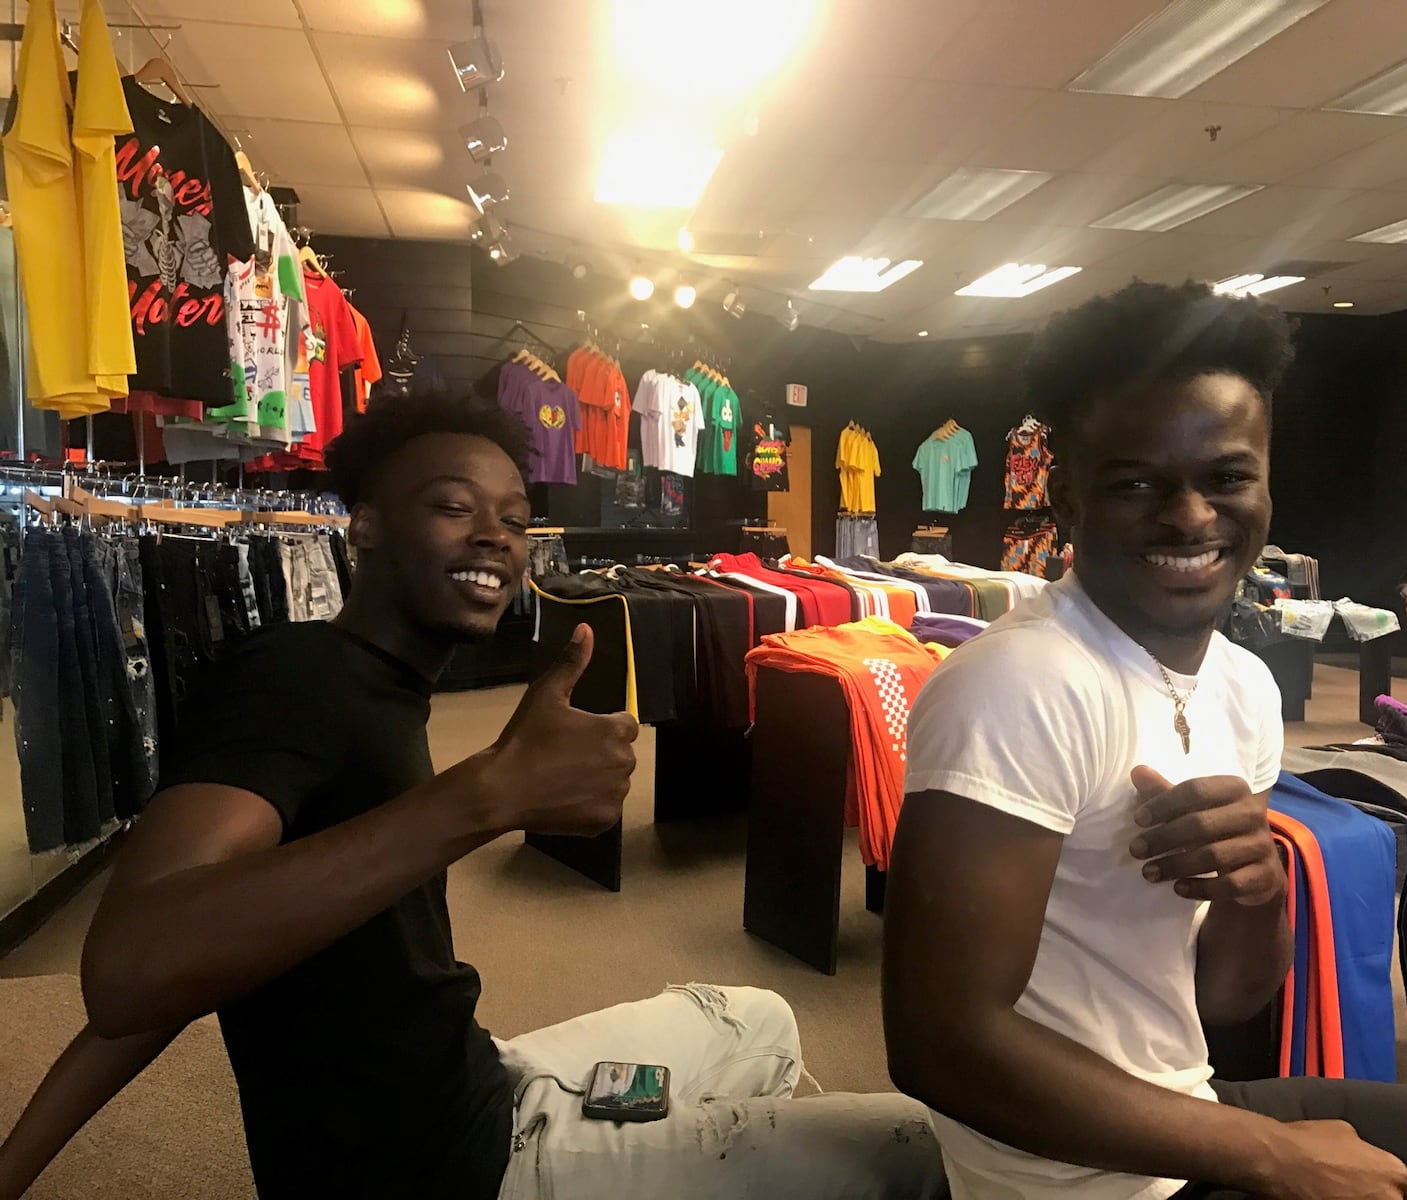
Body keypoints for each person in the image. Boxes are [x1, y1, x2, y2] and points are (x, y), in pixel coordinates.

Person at [0, 386, 944, 1200]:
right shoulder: (298, 678)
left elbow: (198, 960)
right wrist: (483, 796)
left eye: (517, 517)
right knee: (917, 1147)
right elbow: (133, 969)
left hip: (479, 1078)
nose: (497, 534)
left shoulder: (378, 686)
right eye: (454, 507)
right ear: (363, 523)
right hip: (460, 1172)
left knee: (765, 1020)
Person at [881, 281, 1407, 1200]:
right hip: (1067, 1180)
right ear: (1065, 499)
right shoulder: (1020, 684)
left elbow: (1226, 997)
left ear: (1264, 480)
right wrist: (1269, 1153)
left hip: (1177, 1103)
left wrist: (1261, 891)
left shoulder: (1243, 685)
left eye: (1226, 478)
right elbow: (941, 1045)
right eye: (1137, 482)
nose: (1190, 516)